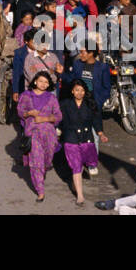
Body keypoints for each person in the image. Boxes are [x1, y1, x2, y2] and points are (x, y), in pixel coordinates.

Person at [59, 79, 108, 206]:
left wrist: (100, 133)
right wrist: (57, 130)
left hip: (87, 138)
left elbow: (96, 120)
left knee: (81, 165)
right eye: (77, 90)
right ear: (72, 91)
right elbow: (60, 119)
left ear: (85, 91)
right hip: (71, 138)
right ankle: (80, 195)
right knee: (76, 166)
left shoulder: (91, 104)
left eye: (82, 90)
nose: (79, 93)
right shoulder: (65, 104)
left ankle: (76, 184)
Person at [19, 71, 62, 202]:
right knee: (36, 161)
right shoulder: (26, 96)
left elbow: (59, 116)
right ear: (35, 81)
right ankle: (40, 191)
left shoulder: (52, 98)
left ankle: (43, 171)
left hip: (49, 135)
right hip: (32, 133)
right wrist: (28, 113)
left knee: (46, 160)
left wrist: (45, 118)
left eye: (46, 82)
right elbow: (20, 112)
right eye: (41, 81)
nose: (43, 84)